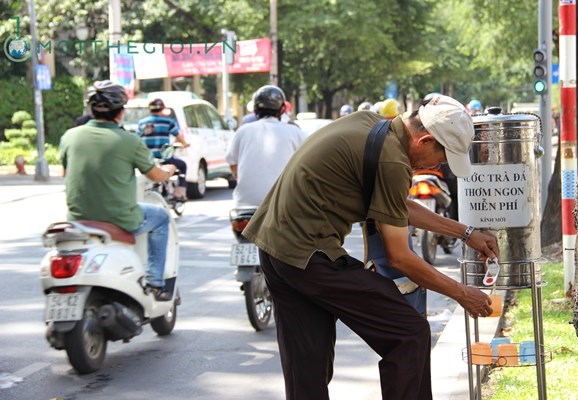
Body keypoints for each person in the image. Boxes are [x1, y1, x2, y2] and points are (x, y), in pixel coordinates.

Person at [243, 94, 500, 399]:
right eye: (442, 158)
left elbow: (394, 206)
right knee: (409, 334)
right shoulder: (393, 160)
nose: (438, 166)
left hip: (275, 250)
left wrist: (465, 232)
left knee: (307, 369)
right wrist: (462, 293)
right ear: (425, 141)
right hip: (309, 256)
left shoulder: (373, 125)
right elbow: (400, 258)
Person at [59, 80, 178, 301]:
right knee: (161, 217)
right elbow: (155, 175)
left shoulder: (70, 137)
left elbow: (65, 173)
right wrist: (170, 170)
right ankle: (155, 283)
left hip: (78, 220)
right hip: (120, 219)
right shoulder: (129, 141)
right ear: (120, 112)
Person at [225, 85, 307, 207]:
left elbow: (232, 162)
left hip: (244, 205)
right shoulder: (295, 132)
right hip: (284, 205)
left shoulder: (243, 131)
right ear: (282, 109)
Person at [137, 98, 189, 200]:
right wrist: (185, 144)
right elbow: (178, 136)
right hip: (164, 158)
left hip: (147, 158)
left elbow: (137, 137)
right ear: (162, 109)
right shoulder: (168, 122)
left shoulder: (142, 122)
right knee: (182, 165)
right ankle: (179, 193)